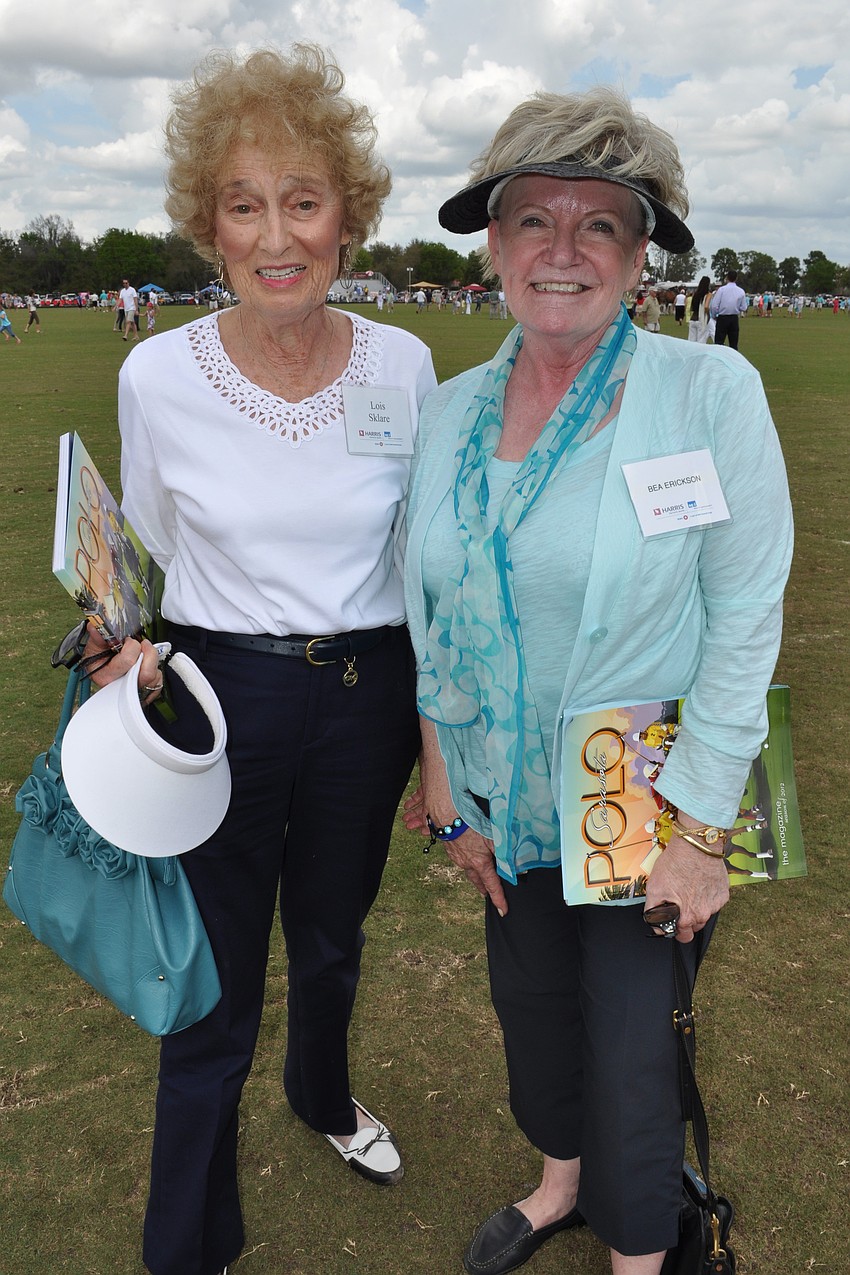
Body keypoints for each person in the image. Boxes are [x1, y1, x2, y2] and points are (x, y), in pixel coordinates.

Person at [403, 84, 792, 1275]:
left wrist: (700, 833)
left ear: (638, 256)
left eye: (599, 225)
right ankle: (557, 1183)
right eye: (533, 218)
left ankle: (640, 1252)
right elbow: (431, 617)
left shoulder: (705, 393)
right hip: (500, 800)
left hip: (642, 806)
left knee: (631, 1055)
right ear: (493, 243)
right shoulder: (447, 410)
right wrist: (444, 797)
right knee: (535, 1023)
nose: (561, 250)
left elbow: (743, 617)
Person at [83, 44, 436, 1275]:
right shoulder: (155, 374)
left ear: (347, 214)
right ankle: (188, 1241)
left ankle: (324, 1097)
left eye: (302, 197)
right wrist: (117, 646)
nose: (275, 233)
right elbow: (152, 556)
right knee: (213, 979)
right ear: (208, 225)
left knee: (332, 936)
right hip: (219, 693)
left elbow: (418, 559)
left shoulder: (406, 363)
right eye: (244, 204)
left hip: (367, 695)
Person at [709, 270, 748, 349]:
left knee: (719, 342)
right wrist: (737, 307)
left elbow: (714, 305)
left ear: (727, 278)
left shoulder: (722, 290)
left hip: (722, 317)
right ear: (736, 278)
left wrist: (714, 315)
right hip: (734, 318)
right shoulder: (741, 291)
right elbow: (744, 307)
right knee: (733, 344)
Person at [687, 274, 712, 343]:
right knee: (701, 341)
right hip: (701, 319)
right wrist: (708, 314)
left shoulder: (695, 294)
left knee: (691, 341)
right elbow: (706, 306)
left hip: (693, 319)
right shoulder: (708, 294)